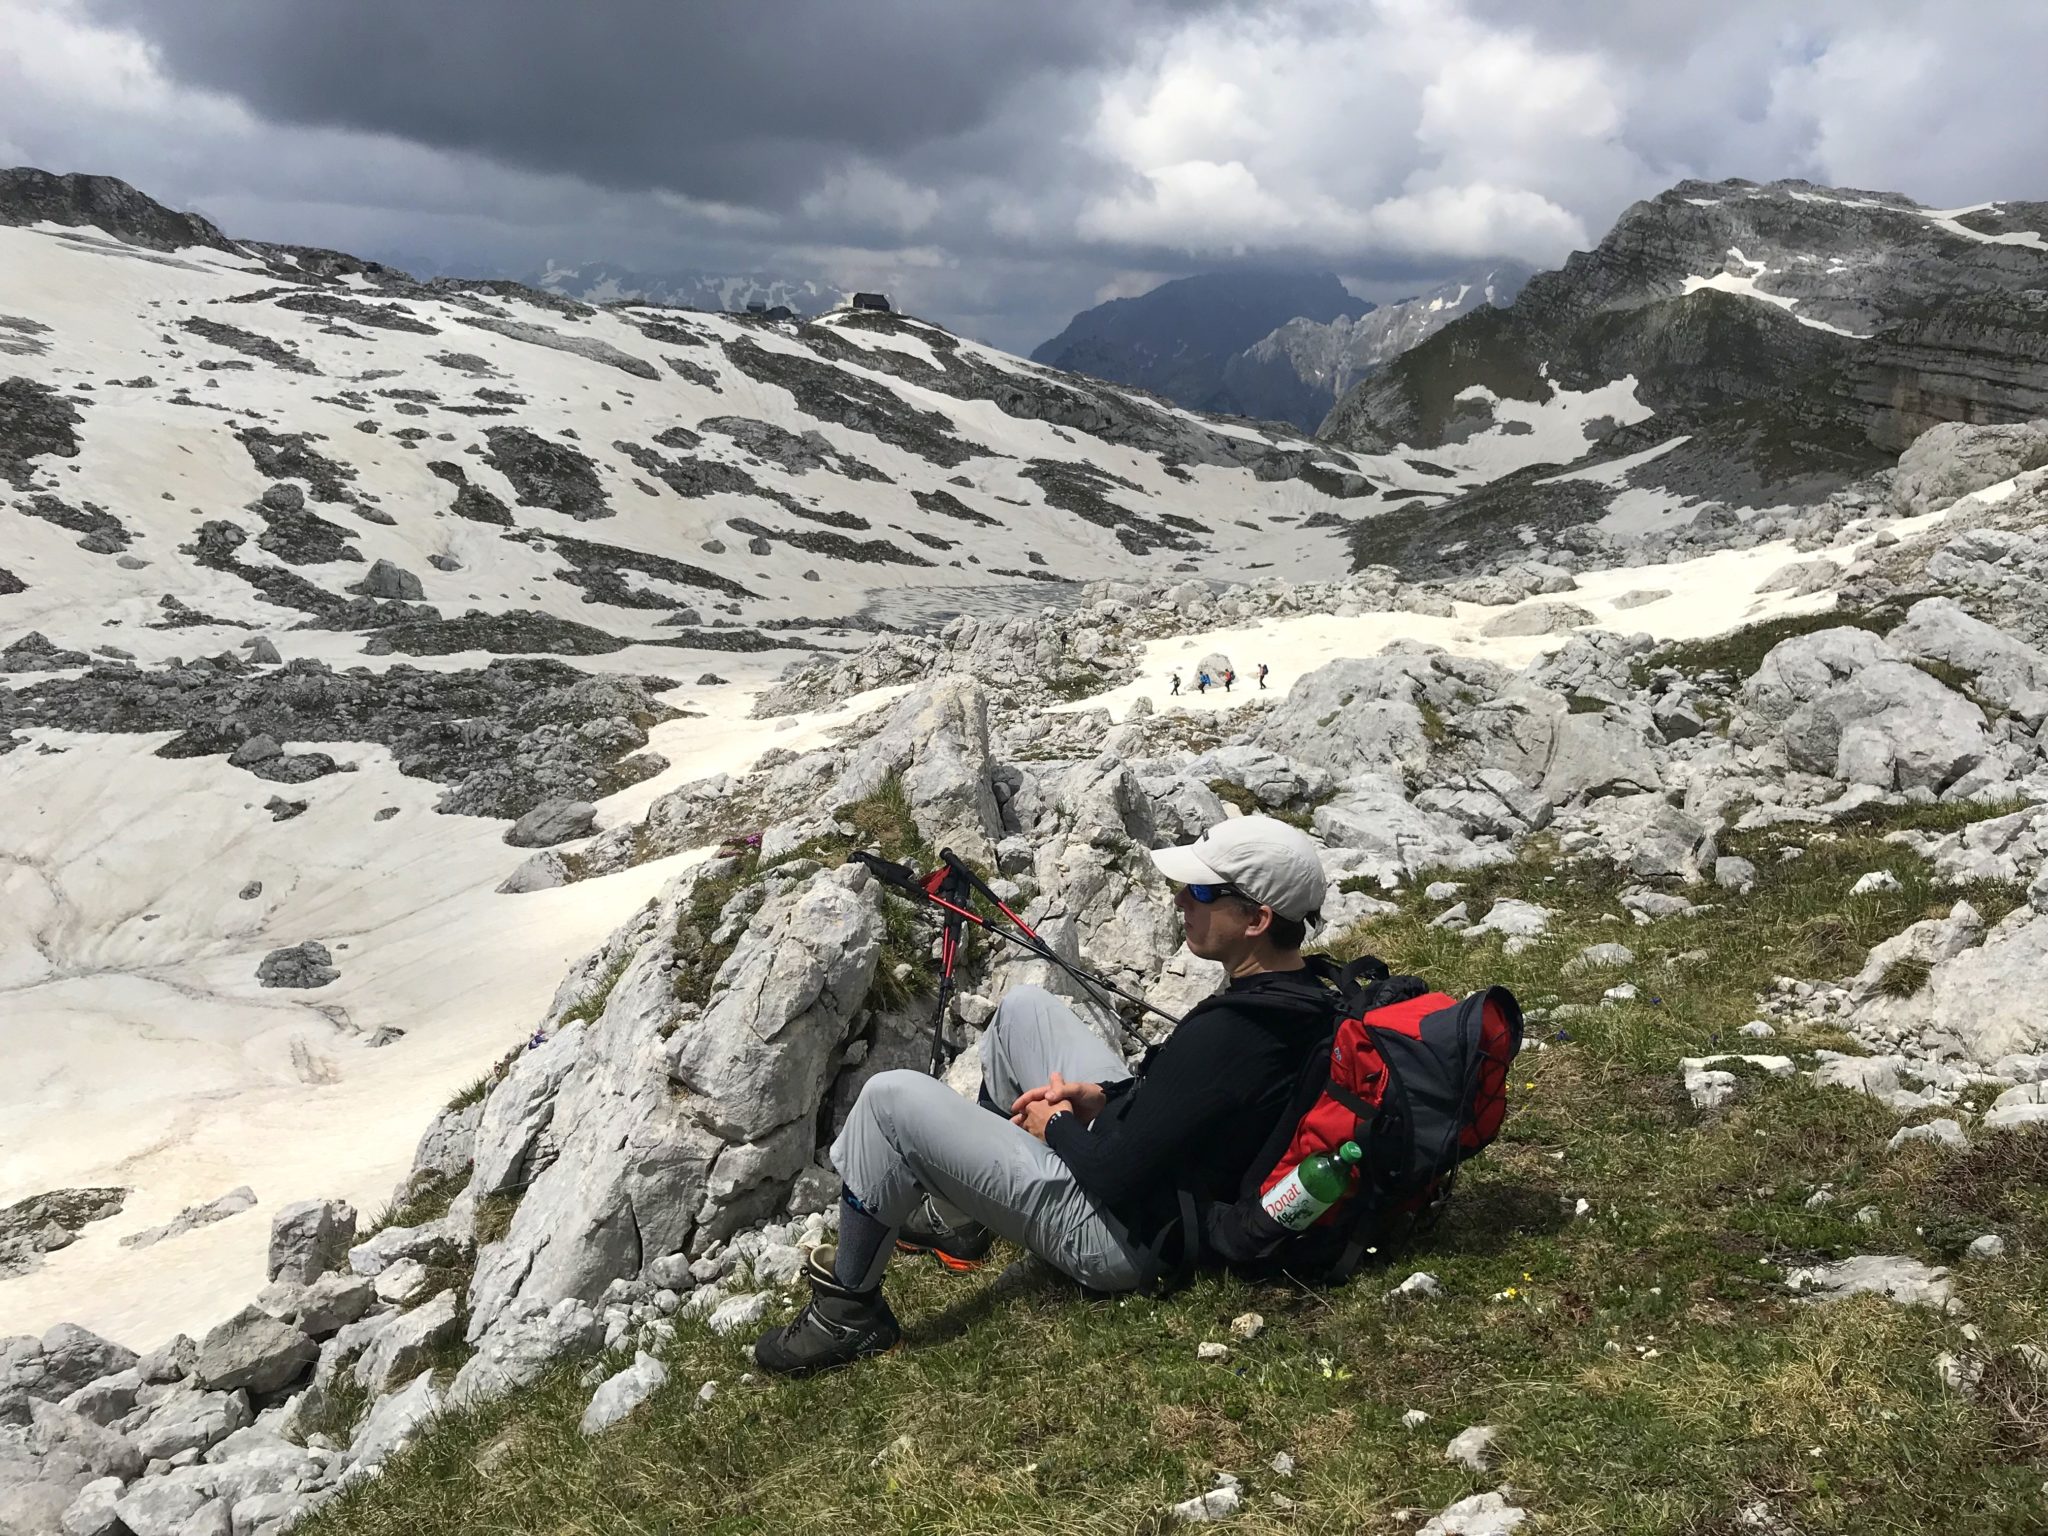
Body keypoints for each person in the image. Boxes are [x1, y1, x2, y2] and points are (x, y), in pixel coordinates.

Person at [753, 815, 1334, 1376]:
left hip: (1124, 1236)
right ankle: (959, 1218)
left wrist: (1053, 1126)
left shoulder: (1236, 1032)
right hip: (1158, 1182)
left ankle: (848, 1312)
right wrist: (1104, 1097)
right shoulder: (1298, 994)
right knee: (1022, 1011)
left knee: (887, 1101)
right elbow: (1197, 1109)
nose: (1181, 899)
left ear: (1257, 918)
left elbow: (1119, 1174)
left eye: (1202, 891)